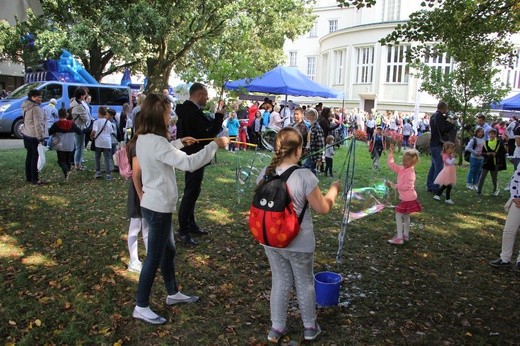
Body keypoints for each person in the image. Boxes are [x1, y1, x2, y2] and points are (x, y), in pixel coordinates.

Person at [132, 93, 229, 325]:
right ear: (158, 116)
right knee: (154, 257)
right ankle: (141, 306)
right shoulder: (155, 141)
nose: (170, 116)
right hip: (157, 209)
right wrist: (214, 145)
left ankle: (173, 293)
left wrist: (178, 143)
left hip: (155, 206)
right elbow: (189, 163)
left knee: (169, 251)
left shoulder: (145, 138)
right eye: (167, 112)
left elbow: (162, 151)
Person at [255, 127, 340, 343]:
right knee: (304, 282)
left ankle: (276, 328)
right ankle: (310, 327)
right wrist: (334, 190)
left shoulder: (266, 172)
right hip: (299, 243)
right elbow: (323, 208)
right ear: (300, 150)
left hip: (271, 240)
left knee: (280, 281)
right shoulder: (304, 176)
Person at [175, 83, 225, 246]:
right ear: (197, 95)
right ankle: (183, 230)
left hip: (192, 155)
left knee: (193, 190)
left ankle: (190, 224)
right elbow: (209, 133)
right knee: (191, 192)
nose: (207, 98)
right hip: (194, 157)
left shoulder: (188, 111)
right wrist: (219, 116)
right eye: (205, 95)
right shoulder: (192, 113)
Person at [125, 114, 148, 273]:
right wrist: (140, 195)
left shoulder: (144, 143)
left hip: (146, 189)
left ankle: (150, 257)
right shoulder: (136, 145)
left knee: (146, 226)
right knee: (135, 226)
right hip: (139, 190)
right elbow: (135, 174)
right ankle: (134, 261)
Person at [386, 144, 422, 245]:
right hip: (407, 198)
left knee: (398, 215)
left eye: (406, 161)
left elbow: (407, 186)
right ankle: (405, 235)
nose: (403, 162)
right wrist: (391, 154)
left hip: (408, 198)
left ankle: (399, 238)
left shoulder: (410, 173)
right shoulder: (402, 168)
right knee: (406, 216)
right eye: (403, 160)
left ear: (412, 162)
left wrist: (394, 185)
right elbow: (392, 165)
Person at [489, 164, 520, 270]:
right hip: (517, 202)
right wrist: (515, 196)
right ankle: (505, 258)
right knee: (509, 230)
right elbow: (515, 178)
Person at [427, 101, 455, 194]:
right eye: (446, 108)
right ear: (443, 108)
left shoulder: (433, 116)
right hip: (438, 143)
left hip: (433, 142)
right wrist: (452, 124)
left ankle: (430, 185)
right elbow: (443, 129)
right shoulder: (439, 116)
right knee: (438, 166)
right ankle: (436, 187)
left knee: (433, 166)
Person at [48, 108, 84, 180]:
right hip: (70, 144)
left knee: (61, 161)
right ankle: (67, 173)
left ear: (58, 115)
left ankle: (66, 171)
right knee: (68, 160)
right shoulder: (72, 124)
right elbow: (79, 132)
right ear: (67, 115)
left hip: (60, 144)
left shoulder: (56, 124)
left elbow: (49, 132)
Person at [21, 89, 45, 185]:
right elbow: (38, 125)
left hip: (26, 134)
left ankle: (29, 177)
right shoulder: (36, 109)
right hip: (34, 135)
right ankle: (35, 179)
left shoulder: (25, 106)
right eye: (39, 97)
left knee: (29, 156)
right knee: (35, 157)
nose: (40, 99)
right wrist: (40, 137)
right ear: (33, 97)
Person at [477, 128, 507, 196]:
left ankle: (495, 191)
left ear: (495, 135)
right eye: (490, 134)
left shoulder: (499, 142)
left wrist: (496, 154)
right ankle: (479, 191)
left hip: (495, 163)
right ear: (489, 134)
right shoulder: (486, 142)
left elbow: (504, 152)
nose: (492, 135)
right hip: (486, 162)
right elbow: (483, 153)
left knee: (494, 178)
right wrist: (486, 154)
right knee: (482, 177)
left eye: (493, 134)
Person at [90, 106, 115, 180]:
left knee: (97, 157)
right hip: (107, 142)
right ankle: (108, 174)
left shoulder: (96, 122)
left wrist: (91, 136)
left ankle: (98, 172)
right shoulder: (109, 122)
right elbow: (111, 132)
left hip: (99, 142)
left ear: (99, 113)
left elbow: (94, 131)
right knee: (107, 158)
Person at [70, 88, 89, 171]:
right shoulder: (79, 106)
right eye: (84, 95)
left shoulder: (73, 103)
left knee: (78, 146)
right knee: (79, 147)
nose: (85, 96)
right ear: (81, 96)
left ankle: (77, 163)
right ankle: (77, 164)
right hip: (80, 127)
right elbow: (85, 118)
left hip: (75, 126)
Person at [303, 108, 324, 176]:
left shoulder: (317, 128)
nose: (307, 118)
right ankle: (314, 184)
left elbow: (320, 144)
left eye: (308, 116)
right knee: (312, 169)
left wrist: (319, 158)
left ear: (313, 117)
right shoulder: (311, 127)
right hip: (310, 151)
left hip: (314, 153)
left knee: (305, 166)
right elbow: (309, 140)